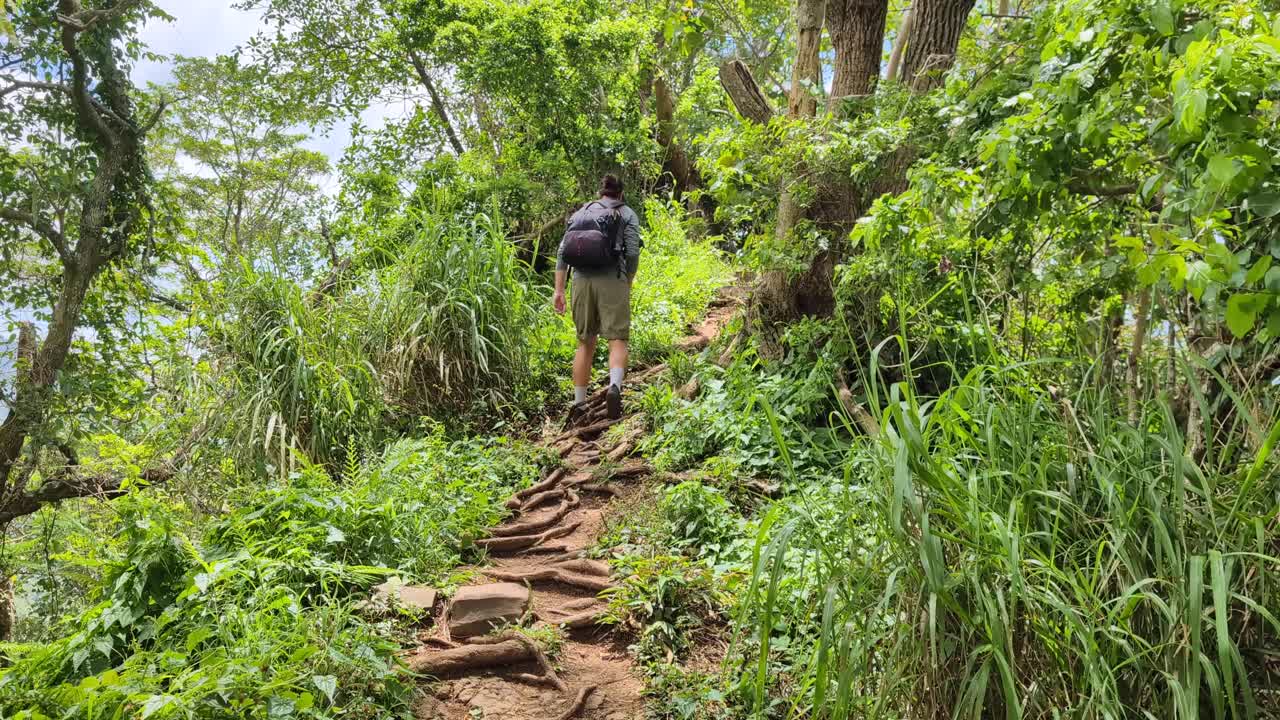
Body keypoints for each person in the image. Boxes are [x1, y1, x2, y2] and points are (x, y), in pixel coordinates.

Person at [552, 174, 641, 420]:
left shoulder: (582, 212)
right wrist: (628, 279)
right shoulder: (627, 214)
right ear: (621, 194)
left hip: (580, 281)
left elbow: (562, 253)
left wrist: (559, 290)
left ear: (600, 193)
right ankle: (614, 387)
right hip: (612, 278)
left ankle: (579, 404)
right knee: (617, 339)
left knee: (585, 342)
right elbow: (632, 252)